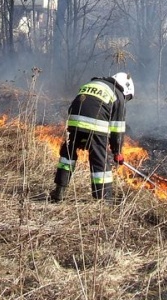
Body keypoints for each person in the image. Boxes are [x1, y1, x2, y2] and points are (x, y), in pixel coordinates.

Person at [49, 72, 135, 203]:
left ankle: (59, 191)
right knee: (99, 159)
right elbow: (117, 130)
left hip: (74, 122)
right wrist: (117, 152)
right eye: (127, 96)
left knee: (68, 154)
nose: (126, 99)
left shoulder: (92, 83)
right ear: (126, 87)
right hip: (96, 124)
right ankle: (104, 200)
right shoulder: (118, 95)